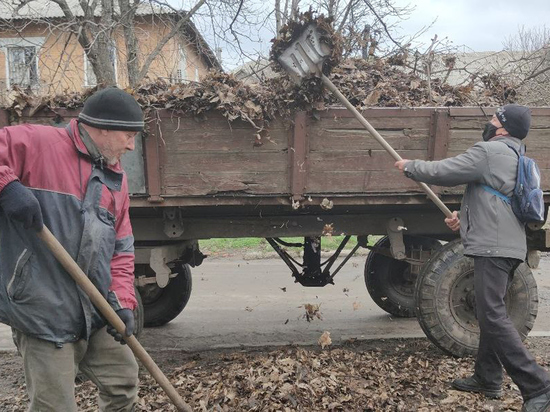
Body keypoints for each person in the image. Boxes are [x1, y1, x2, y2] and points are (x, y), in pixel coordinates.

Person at [395, 104, 550, 412]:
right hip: (505, 245)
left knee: (492, 315)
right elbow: (494, 201)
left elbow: (446, 171)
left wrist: (411, 166)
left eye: (494, 119)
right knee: (489, 310)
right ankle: (487, 377)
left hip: (494, 247)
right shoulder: (514, 155)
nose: (489, 123)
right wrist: (462, 220)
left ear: (503, 129)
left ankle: (539, 386)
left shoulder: (491, 151)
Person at [0, 87, 144, 411]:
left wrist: (122, 302)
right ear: (103, 127)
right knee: (55, 406)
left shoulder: (115, 180)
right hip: (43, 312)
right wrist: (7, 185)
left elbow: (121, 249)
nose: (132, 145)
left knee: (123, 382)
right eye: (128, 135)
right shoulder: (39, 144)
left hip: (93, 310)